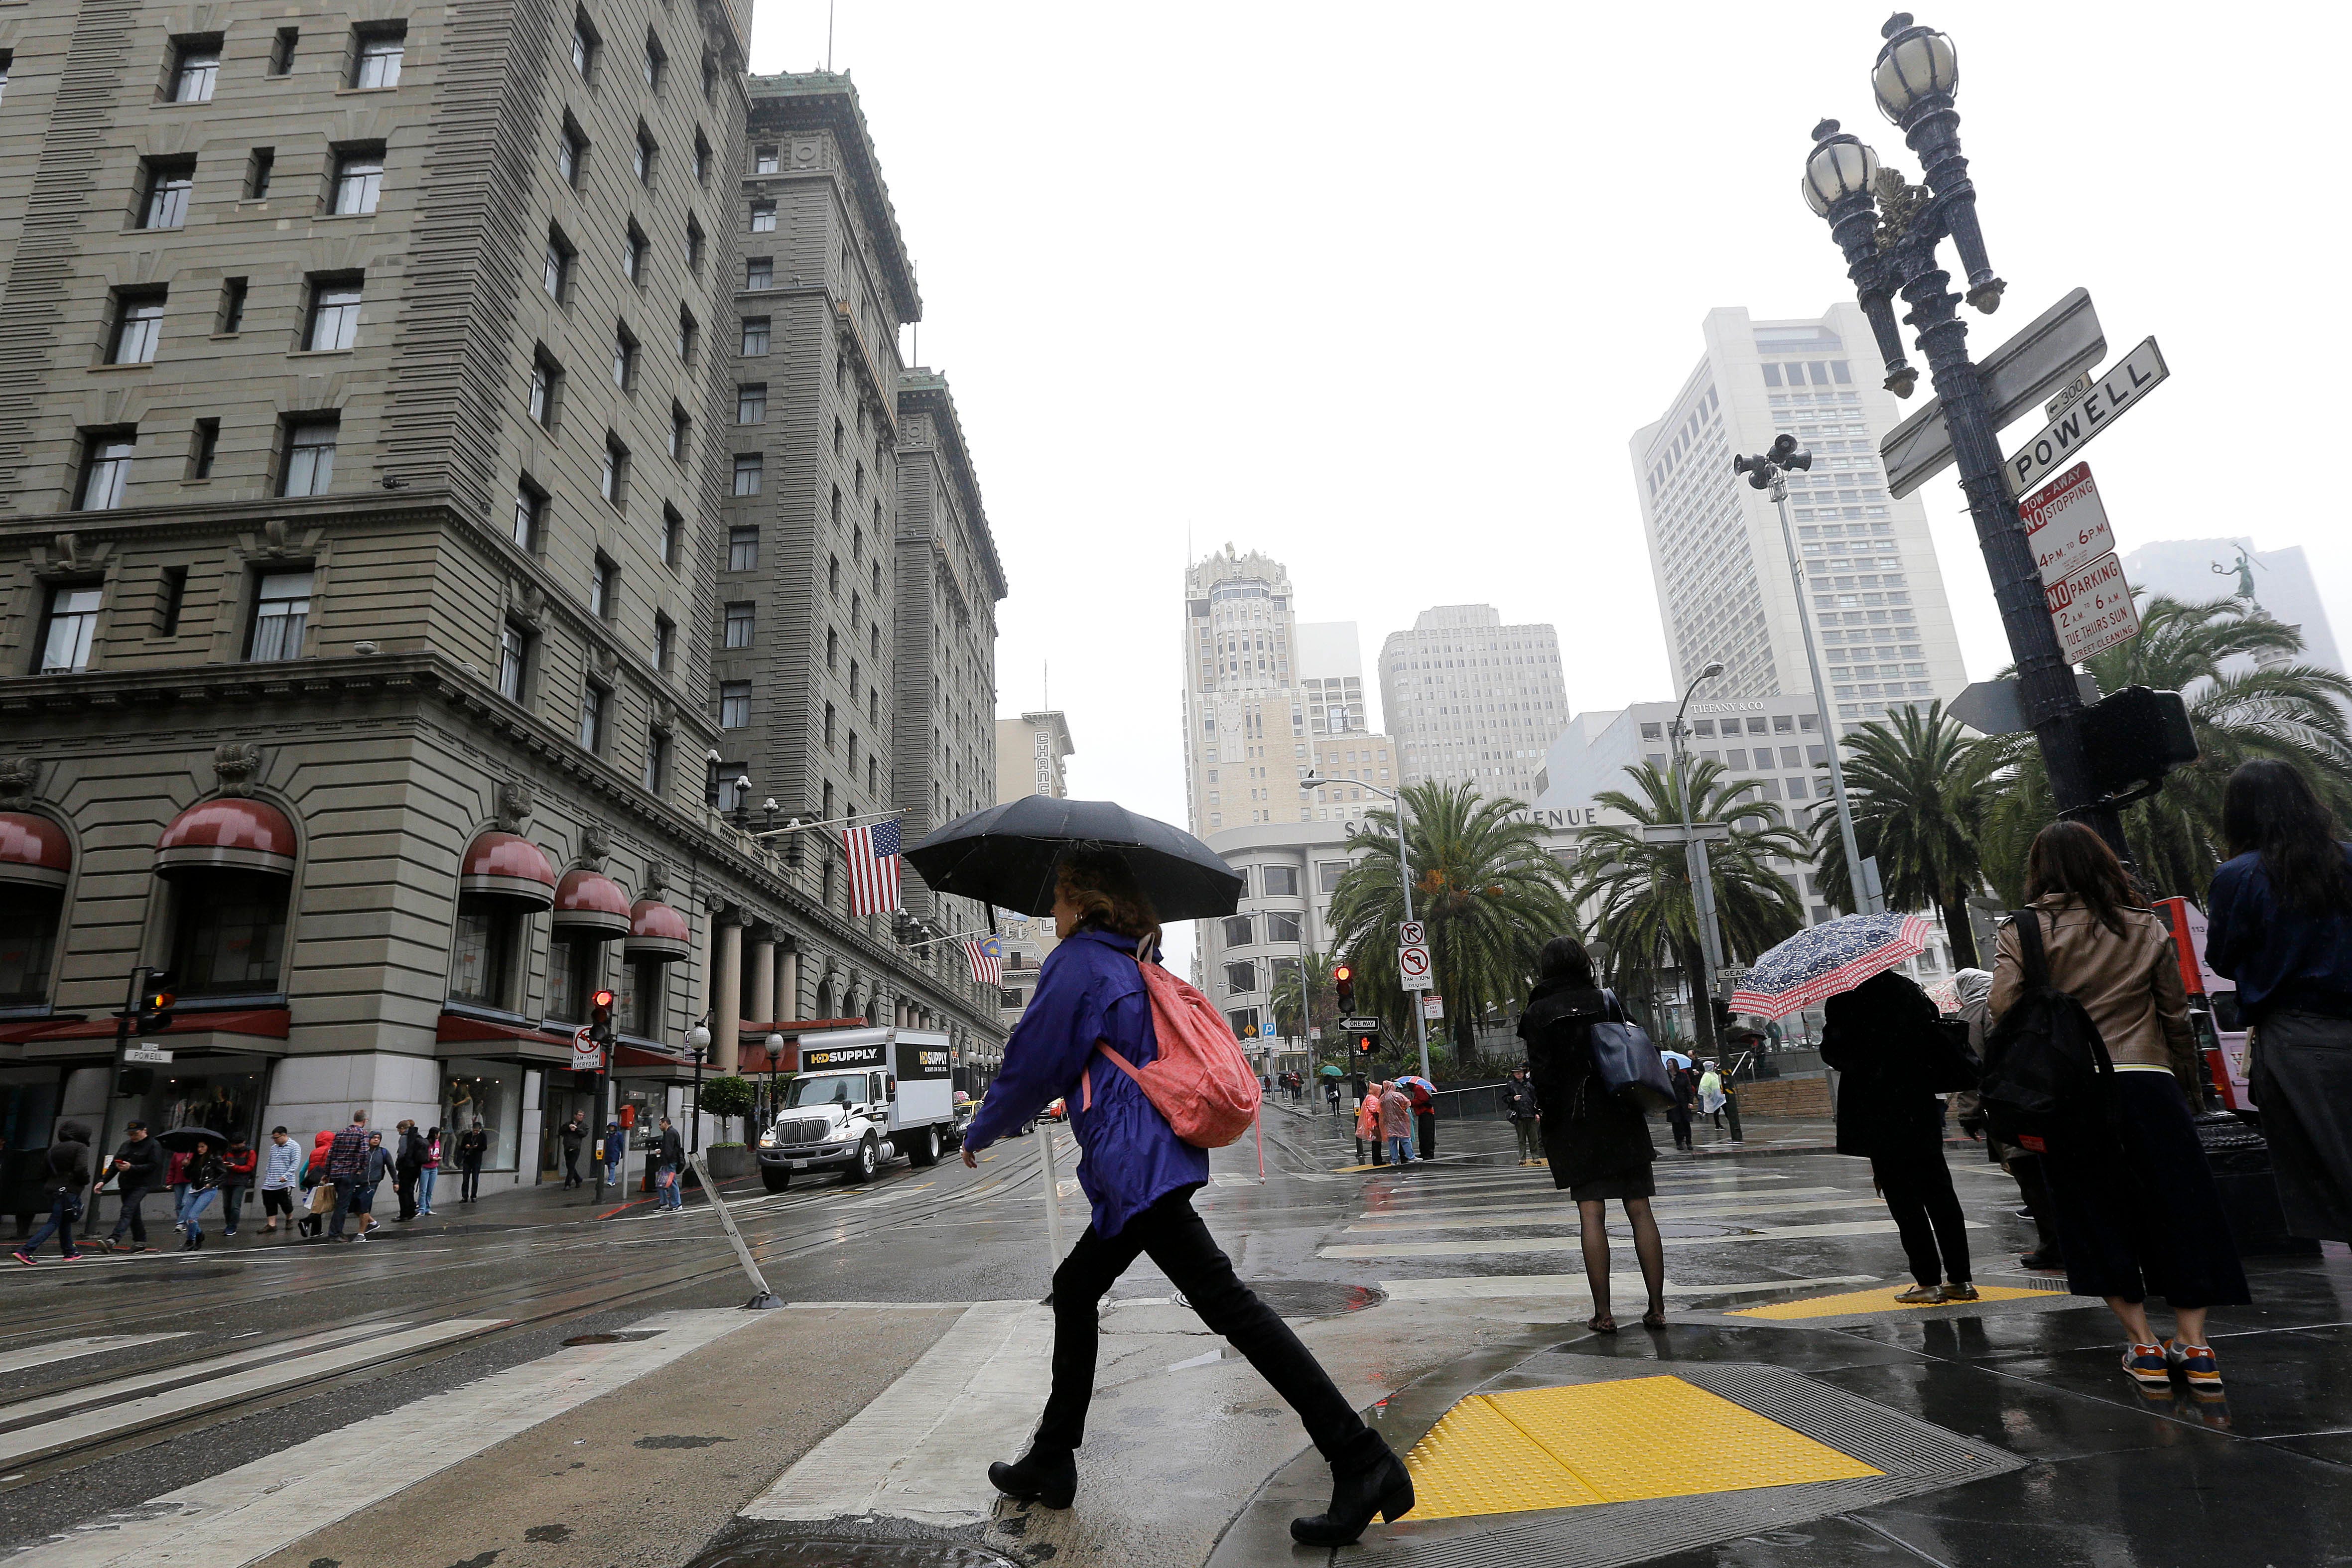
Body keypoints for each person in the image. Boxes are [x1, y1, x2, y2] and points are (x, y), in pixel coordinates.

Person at [960, 845, 1411, 1546]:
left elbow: (1034, 1058)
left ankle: (1361, 1457)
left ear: (1082, 900)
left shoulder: (1081, 963)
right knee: (1076, 1287)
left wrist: (982, 1126)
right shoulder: (1138, 963)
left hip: (1134, 1165)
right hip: (1147, 1159)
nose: (1051, 910)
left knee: (1229, 1307)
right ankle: (1053, 1455)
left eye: (1058, 898)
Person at [1990, 821, 2248, 1389]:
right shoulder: (2144, 925)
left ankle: (2144, 1345)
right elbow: (2175, 1014)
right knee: (2181, 1208)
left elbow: (2001, 1007)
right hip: (2150, 1081)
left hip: (2073, 1093)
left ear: (2041, 870)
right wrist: (2189, 1090)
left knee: (2092, 1212)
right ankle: (2196, 1346)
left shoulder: (2023, 930)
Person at [2206, 758, 2352, 1244]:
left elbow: (2224, 958)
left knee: (2331, 1170)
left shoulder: (2238, 876)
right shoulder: (2348, 858)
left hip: (2297, 1036)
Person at [1518, 936, 1668, 1333]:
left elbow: (1543, 1076)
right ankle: (1656, 1308)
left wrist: (1548, 1116)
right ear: (1583, 963)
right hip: (1622, 1111)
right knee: (1640, 1209)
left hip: (1575, 1120)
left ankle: (1604, 1314)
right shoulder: (1605, 1000)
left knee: (1591, 1214)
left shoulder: (1538, 1012)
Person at [1821, 970, 1976, 1304]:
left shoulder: (1846, 998)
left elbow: (1835, 1053)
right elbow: (1934, 1038)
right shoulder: (1910, 991)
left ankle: (1928, 1282)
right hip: (1918, 1102)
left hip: (1877, 1109)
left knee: (1904, 1199)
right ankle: (1961, 1279)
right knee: (1940, 1194)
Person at [1950, 968, 2062, 1270]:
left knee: (2029, 1175)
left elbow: (1972, 1067)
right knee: (2052, 1174)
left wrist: (1969, 1113)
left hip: (2007, 1106)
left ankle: (2053, 1246)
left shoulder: (1972, 1014)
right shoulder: (2020, 1003)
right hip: (2045, 1099)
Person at [12, 1120, 92, 1265]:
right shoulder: (80, 1147)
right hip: (68, 1190)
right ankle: (26, 1251)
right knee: (55, 1221)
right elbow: (81, 1169)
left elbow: (42, 1173)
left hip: (53, 1190)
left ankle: (70, 1251)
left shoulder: (53, 1150)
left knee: (64, 1219)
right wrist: (85, 1180)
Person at [97, 1122, 163, 1253]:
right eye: (130, 1134)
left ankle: (113, 1240)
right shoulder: (126, 1145)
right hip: (126, 1184)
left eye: (135, 1133)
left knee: (127, 1210)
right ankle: (140, 1241)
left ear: (145, 1131)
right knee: (134, 1213)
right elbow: (114, 1166)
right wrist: (103, 1181)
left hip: (141, 1184)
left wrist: (131, 1168)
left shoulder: (153, 1145)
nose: (132, 1136)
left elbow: (153, 1166)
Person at [324, 1110, 373, 1241]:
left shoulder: (341, 1132)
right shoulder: (362, 1133)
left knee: (341, 1203)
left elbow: (331, 1154)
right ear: (365, 1121)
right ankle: (335, 1233)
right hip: (350, 1173)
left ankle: (336, 1232)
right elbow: (364, 1153)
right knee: (342, 1205)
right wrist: (361, 1168)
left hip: (336, 1173)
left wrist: (327, 1173)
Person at [177, 1139, 226, 1250]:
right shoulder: (195, 1159)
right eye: (198, 1147)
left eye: (203, 1147)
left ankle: (190, 1241)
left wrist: (212, 1183)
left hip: (208, 1190)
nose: (200, 1149)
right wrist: (186, 1166)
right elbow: (188, 1177)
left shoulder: (215, 1159)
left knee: (192, 1217)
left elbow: (224, 1174)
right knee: (185, 1217)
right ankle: (199, 1234)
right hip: (194, 1190)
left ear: (208, 1147)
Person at [259, 1126, 302, 1235]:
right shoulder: (274, 1148)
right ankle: (272, 1224)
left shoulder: (294, 1146)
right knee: (269, 1202)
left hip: (284, 1181)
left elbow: (295, 1163)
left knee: (285, 1202)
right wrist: (267, 1175)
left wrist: (286, 1176)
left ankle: (289, 1218)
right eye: (273, 1138)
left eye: (277, 1138)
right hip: (270, 1180)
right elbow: (270, 1162)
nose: (275, 1140)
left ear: (284, 1135)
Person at [298, 1128, 336, 1238]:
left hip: (312, 1183)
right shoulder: (331, 1151)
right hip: (326, 1182)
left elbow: (302, 1171)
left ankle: (316, 1232)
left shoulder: (313, 1153)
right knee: (325, 1206)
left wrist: (302, 1185)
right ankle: (306, 1222)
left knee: (316, 1206)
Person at [1502, 1066, 1542, 1166]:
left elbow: (1535, 1099)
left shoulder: (1529, 1085)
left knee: (1534, 1138)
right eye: (1516, 1073)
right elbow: (1505, 1098)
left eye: (1520, 1073)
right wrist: (1513, 1098)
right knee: (1521, 1138)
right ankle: (1522, 1158)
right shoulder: (1511, 1085)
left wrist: (1537, 1112)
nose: (1519, 1075)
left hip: (1531, 1114)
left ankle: (1536, 1157)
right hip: (1519, 1116)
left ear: (1523, 1073)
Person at [220, 1137, 257, 1238]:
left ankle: (232, 1226)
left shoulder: (250, 1153)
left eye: (237, 1144)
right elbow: (221, 1164)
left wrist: (235, 1167)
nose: (234, 1147)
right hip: (227, 1181)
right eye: (233, 1144)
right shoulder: (228, 1153)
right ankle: (228, 1224)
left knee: (235, 1206)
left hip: (240, 1182)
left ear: (243, 1143)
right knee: (226, 1206)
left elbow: (249, 1167)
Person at [393, 1120, 425, 1221]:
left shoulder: (404, 1138)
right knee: (410, 1190)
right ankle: (411, 1212)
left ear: (403, 1128)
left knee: (403, 1191)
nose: (399, 1132)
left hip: (406, 1167)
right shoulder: (417, 1136)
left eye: (399, 1129)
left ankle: (404, 1214)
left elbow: (402, 1153)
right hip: (416, 1168)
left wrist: (398, 1164)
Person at [653, 1116, 686, 1212]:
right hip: (669, 1161)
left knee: (671, 1182)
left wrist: (663, 1156)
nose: (659, 1127)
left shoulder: (669, 1133)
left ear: (665, 1123)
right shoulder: (671, 1132)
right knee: (661, 1182)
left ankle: (677, 1204)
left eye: (660, 1124)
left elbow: (669, 1150)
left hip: (669, 1162)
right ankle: (664, 1203)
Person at [1380, 1080, 1415, 1167]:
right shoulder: (1397, 1095)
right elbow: (1407, 1103)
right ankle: (1411, 1157)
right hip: (1400, 1122)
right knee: (1405, 1139)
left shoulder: (1383, 1098)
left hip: (1389, 1123)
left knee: (1392, 1142)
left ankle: (1394, 1160)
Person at [1664, 1061, 1695, 1153]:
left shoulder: (1683, 1076)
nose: (1669, 1065)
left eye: (1670, 1063)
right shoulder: (1665, 1076)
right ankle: (1679, 1141)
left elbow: (1689, 1089)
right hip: (1673, 1102)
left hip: (1683, 1102)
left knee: (1686, 1122)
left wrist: (1690, 1101)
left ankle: (1689, 1142)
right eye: (1668, 1064)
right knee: (1676, 1123)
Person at [457, 1119, 489, 1203]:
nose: (475, 1132)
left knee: (475, 1178)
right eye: (474, 1131)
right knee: (465, 1179)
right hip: (468, 1159)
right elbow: (462, 1146)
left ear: (480, 1130)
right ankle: (465, 1196)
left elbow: (484, 1147)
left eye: (477, 1131)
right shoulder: (467, 1136)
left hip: (477, 1160)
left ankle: (474, 1196)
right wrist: (466, 1146)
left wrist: (477, 1147)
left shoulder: (483, 1136)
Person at [1353, 1083, 1385, 1166]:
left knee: (1376, 1142)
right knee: (1377, 1142)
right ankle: (1377, 1160)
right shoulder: (1372, 1099)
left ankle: (1378, 1159)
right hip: (1373, 1123)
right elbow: (1375, 1111)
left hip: (1371, 1122)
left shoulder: (1369, 1098)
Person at [1407, 1076, 1437, 1161]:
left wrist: (1411, 1103)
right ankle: (1424, 1152)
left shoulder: (1418, 1089)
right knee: (1423, 1134)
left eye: (1408, 1085)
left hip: (1426, 1113)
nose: (1408, 1088)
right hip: (1423, 1114)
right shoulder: (1416, 1090)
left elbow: (1422, 1099)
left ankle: (1428, 1153)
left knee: (1427, 1134)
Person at [419, 1126, 442, 1216]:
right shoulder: (426, 1143)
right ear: (435, 1134)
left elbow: (437, 1152)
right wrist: (433, 1158)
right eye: (439, 1134)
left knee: (430, 1190)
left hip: (434, 1168)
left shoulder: (438, 1143)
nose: (439, 1135)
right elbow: (424, 1155)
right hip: (425, 1167)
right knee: (423, 1190)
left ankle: (427, 1208)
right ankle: (421, 1208)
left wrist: (437, 1159)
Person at [560, 1113, 587, 1188]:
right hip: (567, 1147)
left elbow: (584, 1134)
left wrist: (576, 1129)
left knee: (571, 1166)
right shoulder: (568, 1124)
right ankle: (578, 1179)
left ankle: (568, 1184)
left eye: (582, 1115)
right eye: (580, 1115)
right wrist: (568, 1128)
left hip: (576, 1148)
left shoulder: (584, 1126)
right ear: (575, 1116)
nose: (581, 1117)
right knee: (569, 1165)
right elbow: (561, 1131)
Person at [1698, 1061, 1726, 1131]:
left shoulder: (1714, 1075)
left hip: (1719, 1094)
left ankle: (1718, 1125)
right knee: (1723, 1108)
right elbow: (1703, 1087)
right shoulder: (1707, 1076)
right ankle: (1720, 1124)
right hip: (1715, 1096)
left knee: (1718, 1109)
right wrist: (1710, 1093)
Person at [601, 1122, 625, 1190]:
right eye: (610, 1127)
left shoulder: (619, 1135)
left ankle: (610, 1180)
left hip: (614, 1153)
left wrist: (622, 1153)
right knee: (610, 1166)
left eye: (613, 1127)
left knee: (612, 1166)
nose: (611, 1128)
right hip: (608, 1153)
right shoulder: (607, 1135)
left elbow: (621, 1144)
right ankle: (612, 1180)